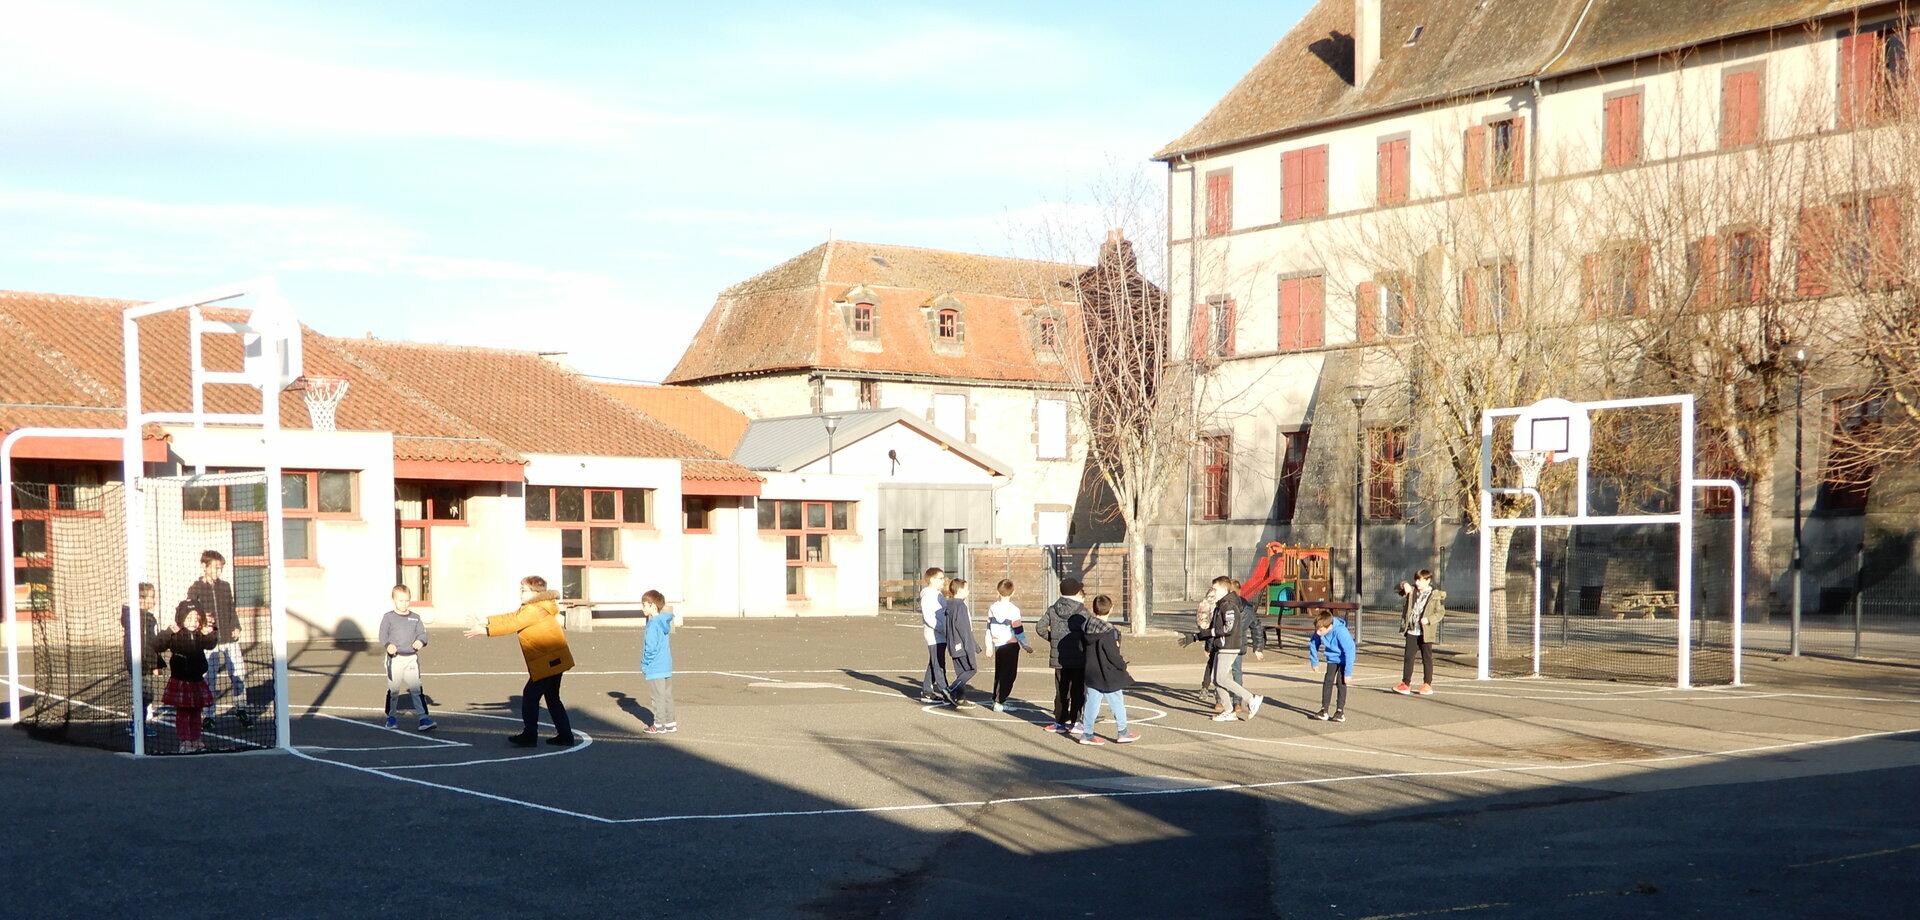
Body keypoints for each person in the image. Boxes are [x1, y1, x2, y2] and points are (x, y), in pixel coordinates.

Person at [464, 575, 575, 746]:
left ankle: (530, 735)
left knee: (530, 695)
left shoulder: (534, 610)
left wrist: (485, 631)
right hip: (554, 660)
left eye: (523, 590)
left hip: (549, 661)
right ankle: (565, 735)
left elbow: (512, 624)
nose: (520, 593)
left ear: (535, 592)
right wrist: (487, 620)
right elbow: (511, 617)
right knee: (552, 698)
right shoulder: (533, 607)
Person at [187, 550, 251, 728]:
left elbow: (231, 609)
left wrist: (236, 626)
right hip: (209, 642)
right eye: (215, 568)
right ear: (204, 567)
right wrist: (202, 623)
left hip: (229, 640)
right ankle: (208, 715)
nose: (218, 572)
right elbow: (190, 612)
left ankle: (241, 708)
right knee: (210, 679)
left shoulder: (225, 586)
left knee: (238, 674)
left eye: (220, 569)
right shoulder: (195, 589)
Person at [1073, 595, 1139, 745]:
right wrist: (1122, 665)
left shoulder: (1086, 626)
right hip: (1109, 673)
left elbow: (1081, 648)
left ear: (1093, 609)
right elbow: (1113, 654)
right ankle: (1122, 732)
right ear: (1111, 609)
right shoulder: (1108, 631)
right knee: (1117, 701)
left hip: (1091, 671)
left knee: (1091, 703)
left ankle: (1087, 734)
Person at [1195, 576, 1262, 722]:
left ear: (1225, 590)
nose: (1213, 591)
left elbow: (1228, 628)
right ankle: (1228, 710)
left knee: (1220, 678)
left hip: (1229, 646)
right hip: (1222, 645)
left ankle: (1251, 698)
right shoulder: (1222, 604)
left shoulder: (1229, 605)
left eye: (1216, 589)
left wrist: (1208, 633)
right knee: (1215, 679)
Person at [158, 600, 218, 753]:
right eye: (189, 618)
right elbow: (158, 645)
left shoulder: (200, 635)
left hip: (197, 680)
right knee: (183, 714)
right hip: (181, 681)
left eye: (197, 619)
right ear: (182, 619)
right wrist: (167, 632)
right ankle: (185, 741)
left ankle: (196, 739)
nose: (193, 622)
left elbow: (211, 644)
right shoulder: (176, 634)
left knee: (197, 713)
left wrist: (211, 632)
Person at [1035, 577, 1090, 733]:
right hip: (1079, 658)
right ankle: (1076, 721)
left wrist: (1054, 640)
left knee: (1061, 690)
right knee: (1078, 690)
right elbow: (1090, 630)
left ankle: (1059, 721)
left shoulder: (1053, 609)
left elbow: (1040, 627)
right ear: (1077, 592)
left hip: (1059, 658)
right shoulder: (1082, 611)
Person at [379, 585, 435, 731]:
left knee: (416, 689)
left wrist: (421, 641)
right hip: (395, 658)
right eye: (400, 600)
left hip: (411, 658)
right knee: (394, 689)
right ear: (393, 600)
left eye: (407, 600)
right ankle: (391, 717)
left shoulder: (415, 618)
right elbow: (382, 635)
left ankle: (424, 718)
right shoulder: (388, 617)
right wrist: (387, 644)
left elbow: (422, 634)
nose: (404, 604)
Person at [122, 582, 165, 737]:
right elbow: (148, 643)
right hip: (140, 661)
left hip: (138, 659)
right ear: (140, 599)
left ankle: (136, 722)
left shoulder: (144, 618)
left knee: (144, 693)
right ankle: (137, 725)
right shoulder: (143, 619)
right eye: (151, 597)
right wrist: (154, 664)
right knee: (145, 694)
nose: (154, 601)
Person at [1393, 570, 1446, 695]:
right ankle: (1405, 684)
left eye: (1420, 580)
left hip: (1425, 632)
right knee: (1408, 657)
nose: (1417, 583)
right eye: (1416, 580)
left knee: (1426, 658)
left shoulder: (1435, 595)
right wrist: (1404, 584)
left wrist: (1428, 620)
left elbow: (1440, 613)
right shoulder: (1412, 591)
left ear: (1428, 580)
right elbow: (1396, 589)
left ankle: (1427, 684)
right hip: (1412, 630)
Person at [984, 579, 1032, 712]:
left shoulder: (993, 608)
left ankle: (996, 698)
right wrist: (1025, 644)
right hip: (1010, 645)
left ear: (997, 593)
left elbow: (988, 628)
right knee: (1009, 675)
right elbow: (1018, 630)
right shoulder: (1014, 610)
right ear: (1013, 593)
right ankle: (999, 701)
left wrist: (989, 646)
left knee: (1000, 673)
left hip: (998, 645)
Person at [639, 589, 678, 734]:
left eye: (645, 605)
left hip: (655, 666)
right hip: (665, 665)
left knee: (658, 697)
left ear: (653, 606)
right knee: (667, 695)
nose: (643, 608)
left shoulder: (653, 624)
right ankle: (670, 722)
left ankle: (659, 724)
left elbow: (650, 647)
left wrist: (645, 663)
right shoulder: (663, 622)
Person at [1228, 577, 1267, 716]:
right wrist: (1258, 648)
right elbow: (1256, 627)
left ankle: (1222, 701)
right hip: (1239, 644)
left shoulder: (1225, 605)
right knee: (1236, 672)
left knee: (1221, 673)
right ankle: (1236, 703)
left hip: (1227, 644)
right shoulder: (1248, 608)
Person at [1309, 611, 1357, 722]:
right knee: (1328, 681)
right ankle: (1324, 710)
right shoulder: (1319, 631)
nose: (1318, 632)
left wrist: (1348, 673)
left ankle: (1340, 711)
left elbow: (1350, 650)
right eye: (1317, 629)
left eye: (1320, 630)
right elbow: (1313, 644)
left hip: (1343, 659)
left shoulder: (1341, 631)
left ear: (1329, 627)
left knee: (1341, 683)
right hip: (1332, 659)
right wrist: (1314, 662)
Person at [942, 578, 981, 709]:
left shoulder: (949, 605)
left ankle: (960, 698)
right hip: (962, 645)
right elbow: (964, 629)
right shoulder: (960, 606)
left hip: (953, 644)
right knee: (971, 669)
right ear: (959, 590)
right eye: (966, 589)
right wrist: (970, 645)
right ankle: (951, 689)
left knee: (962, 672)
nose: (969, 591)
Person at [918, 567, 950, 704]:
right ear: (932, 579)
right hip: (934, 634)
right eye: (940, 578)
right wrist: (942, 629)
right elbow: (929, 617)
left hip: (941, 634)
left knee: (934, 662)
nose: (943, 580)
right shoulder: (928, 595)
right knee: (939, 664)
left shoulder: (938, 594)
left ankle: (927, 691)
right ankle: (946, 691)